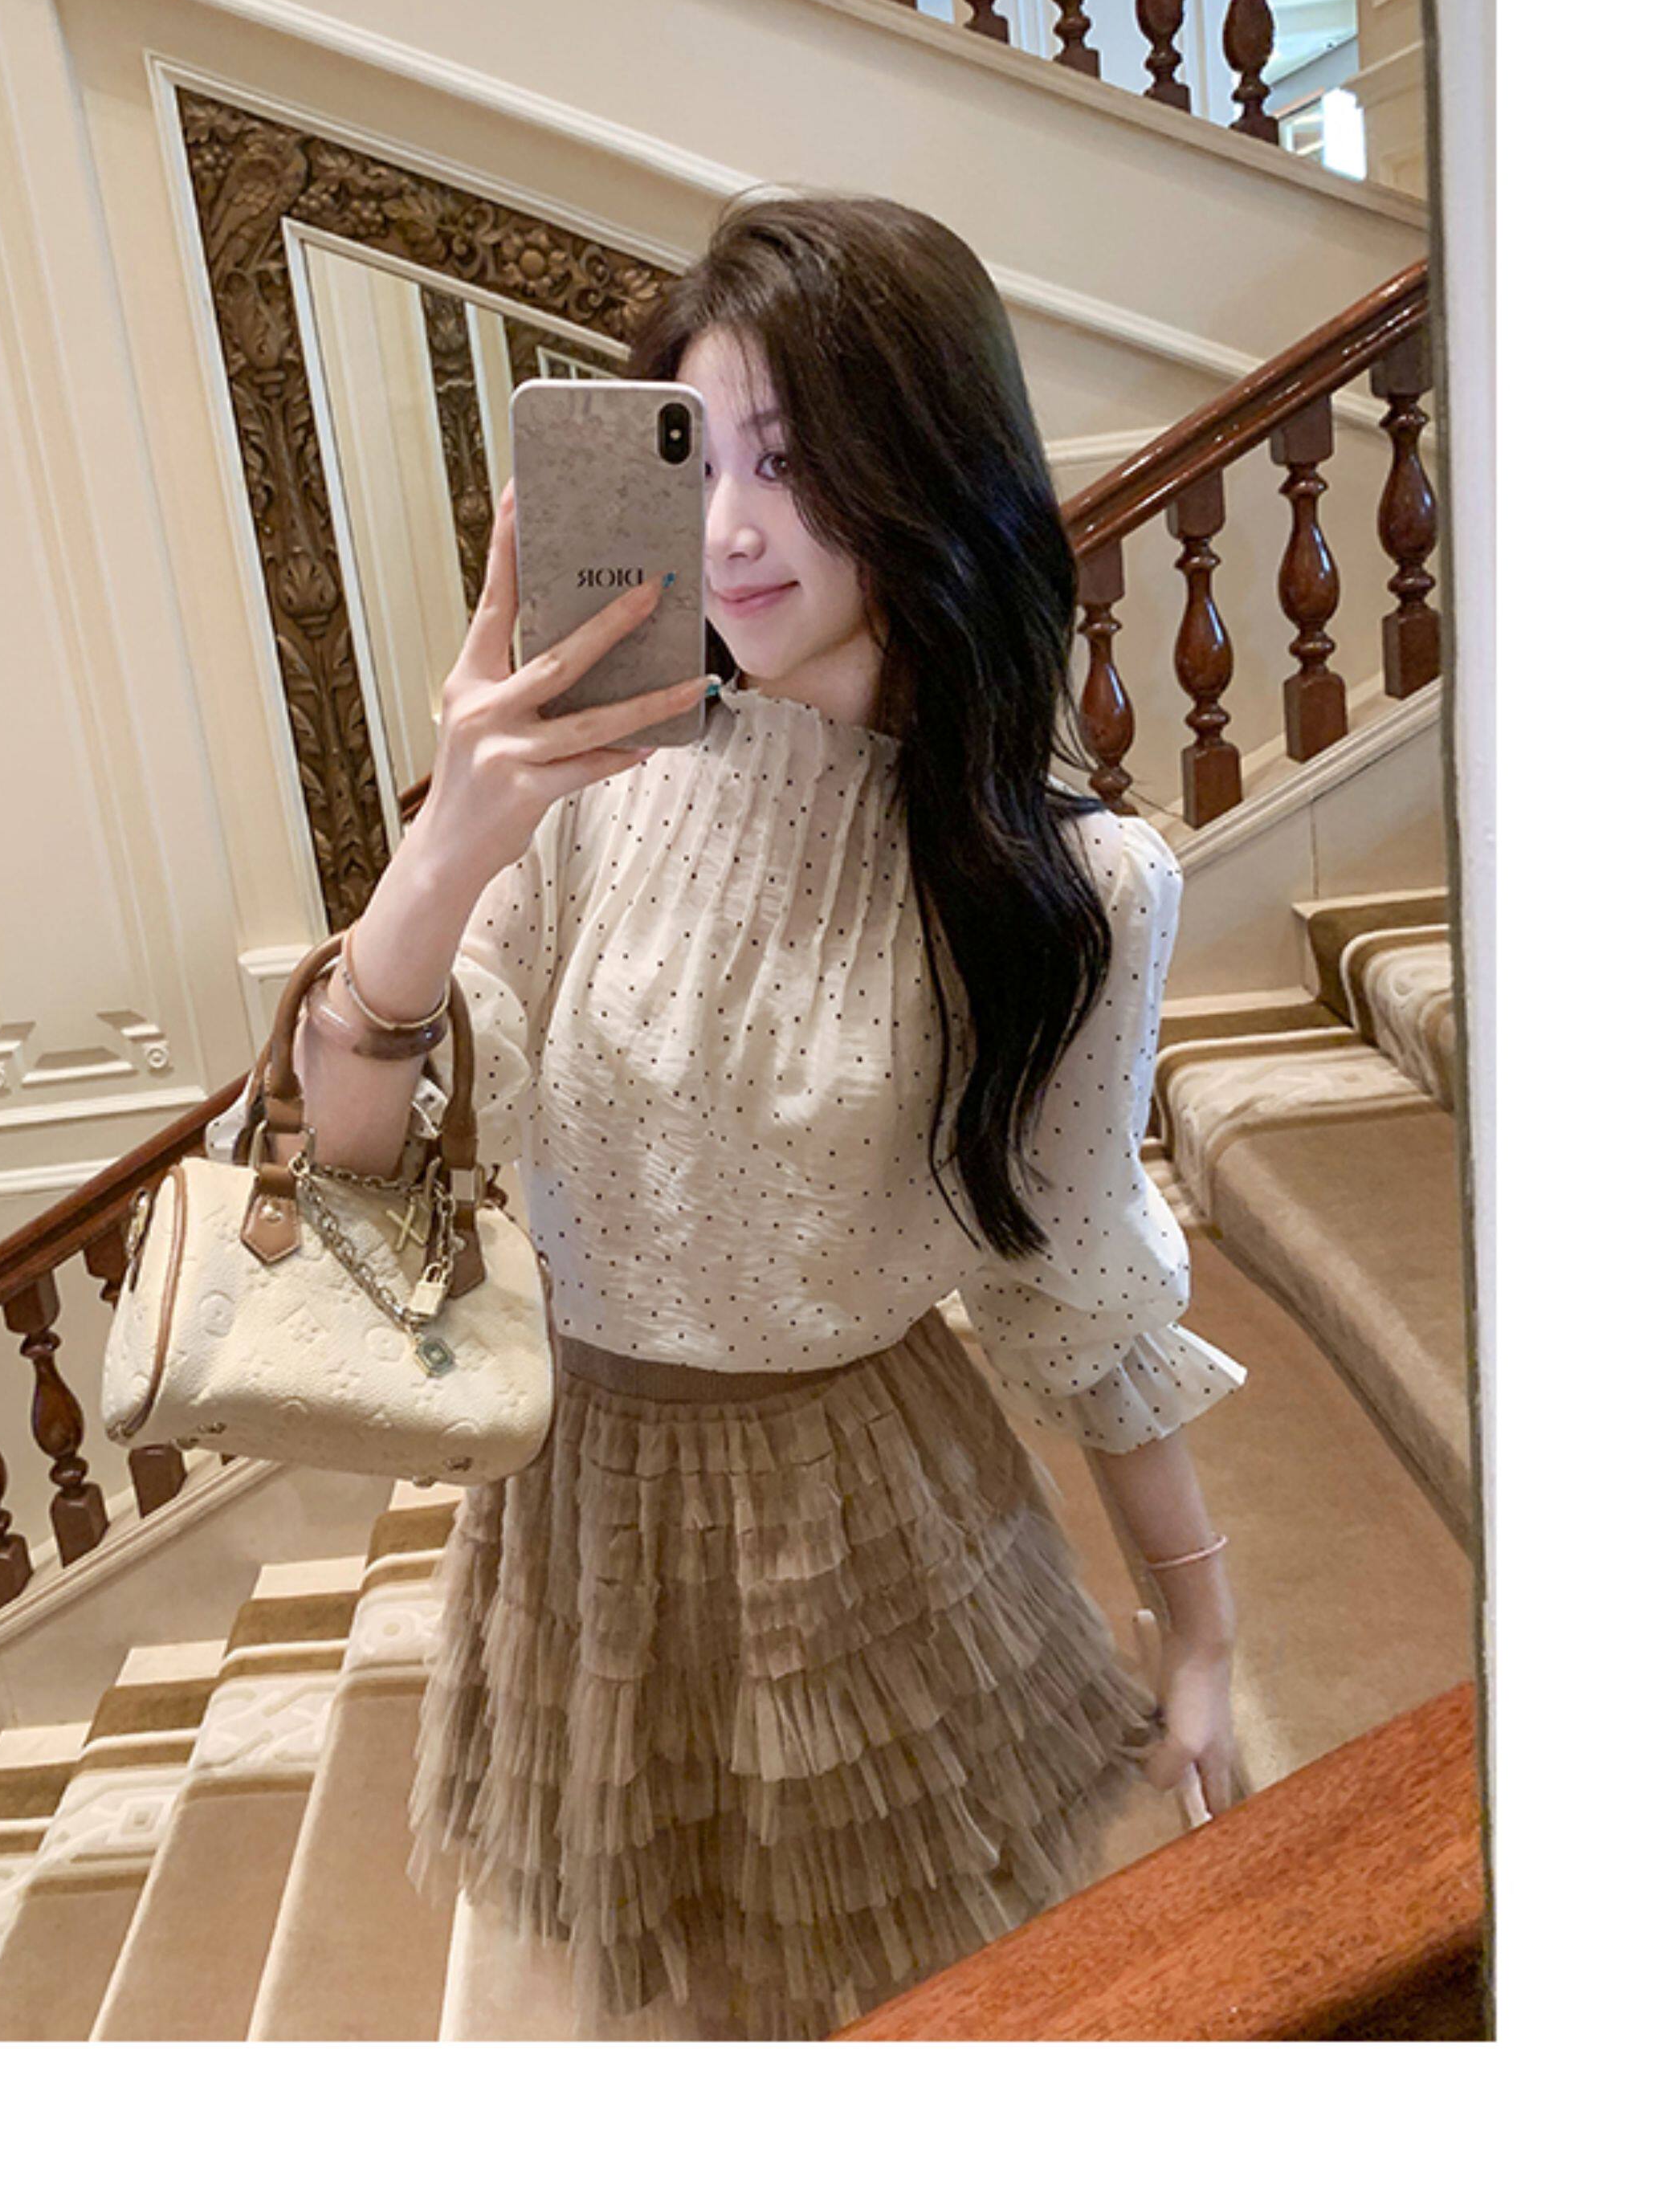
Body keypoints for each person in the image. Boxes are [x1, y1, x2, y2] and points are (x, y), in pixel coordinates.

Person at [292, 191, 1249, 2042]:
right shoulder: (592, 787)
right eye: (696, 456)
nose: (727, 529)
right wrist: (444, 846)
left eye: (790, 462)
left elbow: (1077, 1294)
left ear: (928, 467)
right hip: (577, 1500)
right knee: (678, 2011)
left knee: (902, 2020)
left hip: (858, 1516)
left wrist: (1197, 1622)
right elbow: (355, 1158)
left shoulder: (1077, 890)